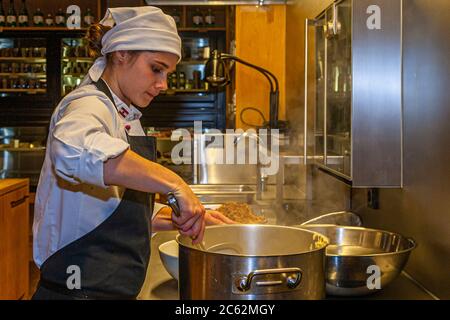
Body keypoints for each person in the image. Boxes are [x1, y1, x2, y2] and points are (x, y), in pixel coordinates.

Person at [32, 6, 232, 300]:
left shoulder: (126, 115)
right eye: (156, 68)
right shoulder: (89, 104)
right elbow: (73, 149)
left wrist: (169, 216)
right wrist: (174, 183)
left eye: (167, 73)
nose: (163, 84)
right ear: (122, 54)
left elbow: (103, 210)